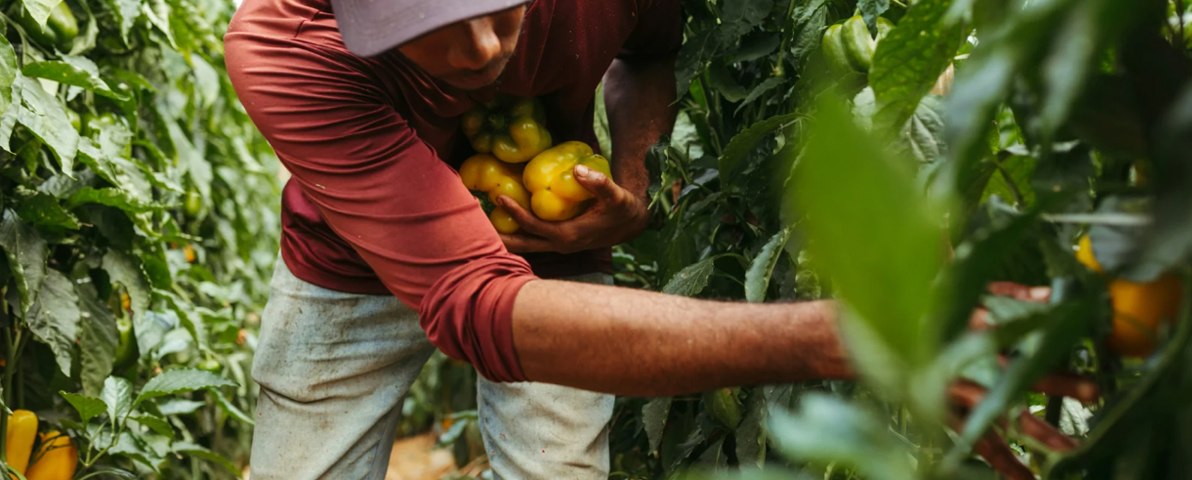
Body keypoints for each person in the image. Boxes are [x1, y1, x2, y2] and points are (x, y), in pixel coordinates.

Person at [224, 1, 1091, 479]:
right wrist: (852, 332)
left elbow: (649, 54)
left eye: (499, 5)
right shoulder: (286, 42)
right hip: (353, 263)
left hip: (557, 245)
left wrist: (634, 180)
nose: (484, 46)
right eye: (424, 28)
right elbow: (474, 302)